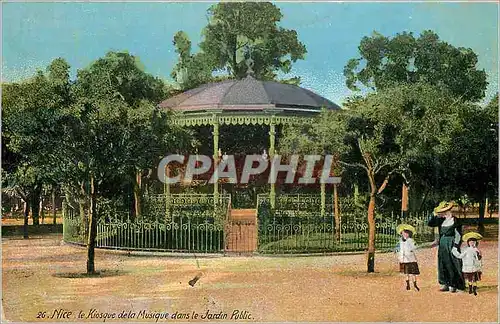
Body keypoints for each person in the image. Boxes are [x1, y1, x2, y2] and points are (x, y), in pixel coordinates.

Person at [427, 201, 465, 292]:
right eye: (443, 212)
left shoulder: (456, 221)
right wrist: (434, 213)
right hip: (443, 243)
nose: (444, 214)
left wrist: (456, 246)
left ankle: (454, 285)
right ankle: (445, 284)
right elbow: (430, 223)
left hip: (452, 242)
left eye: (446, 212)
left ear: (449, 211)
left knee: (453, 263)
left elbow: (458, 235)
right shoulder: (441, 220)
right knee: (443, 262)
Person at [396, 224, 420, 291]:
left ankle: (415, 285)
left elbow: (414, 247)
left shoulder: (411, 240)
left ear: (409, 234)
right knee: (406, 273)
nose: (405, 235)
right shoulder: (400, 241)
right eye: (403, 233)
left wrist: (411, 249)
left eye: (406, 233)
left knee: (413, 273)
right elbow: (399, 249)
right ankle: (408, 285)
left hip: (411, 259)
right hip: (404, 259)